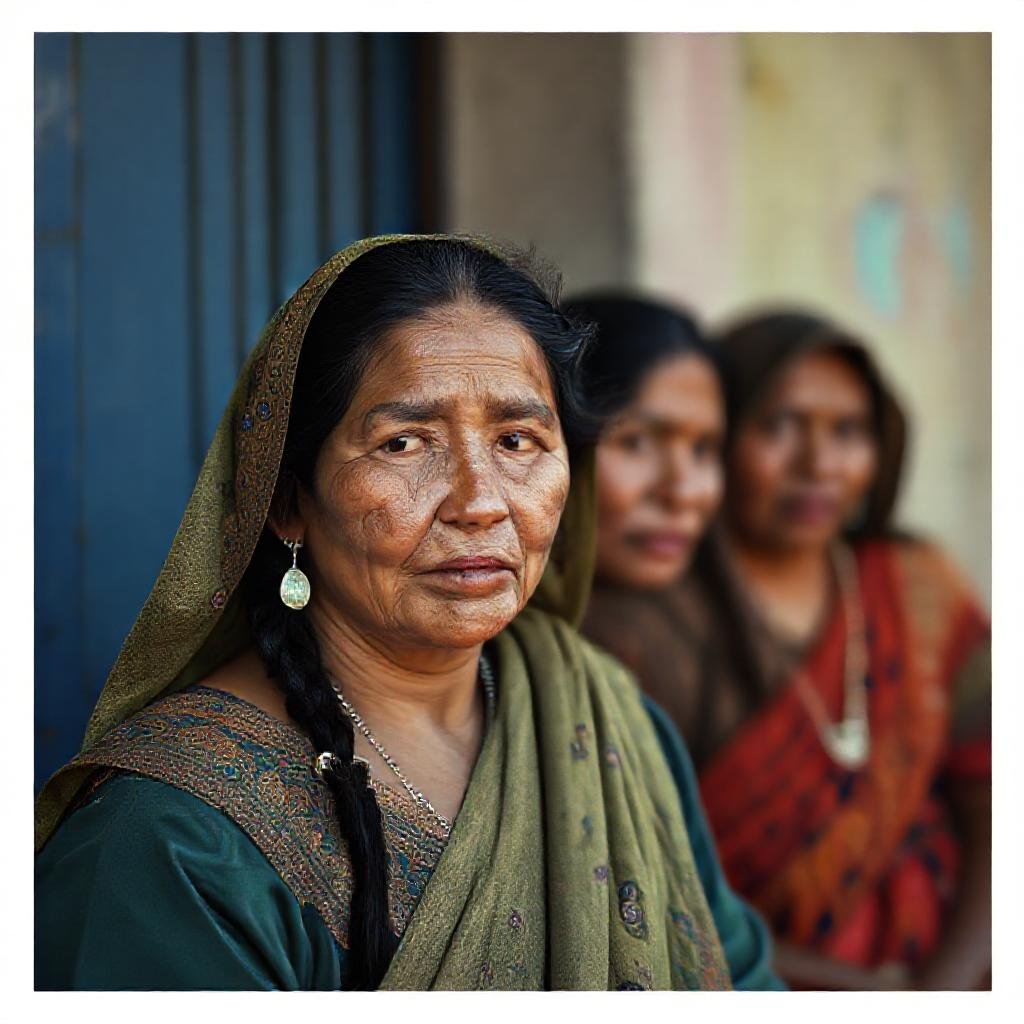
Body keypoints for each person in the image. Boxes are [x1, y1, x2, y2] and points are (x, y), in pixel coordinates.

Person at [35, 235, 781, 991]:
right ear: (288, 501)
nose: (481, 502)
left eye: (517, 440)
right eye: (404, 443)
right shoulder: (168, 842)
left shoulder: (611, 724)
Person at [615, 310, 990, 990]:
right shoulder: (649, 622)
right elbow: (653, 895)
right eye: (779, 427)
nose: (819, 464)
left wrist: (948, 991)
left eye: (848, 432)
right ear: (722, 440)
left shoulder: (917, 589)